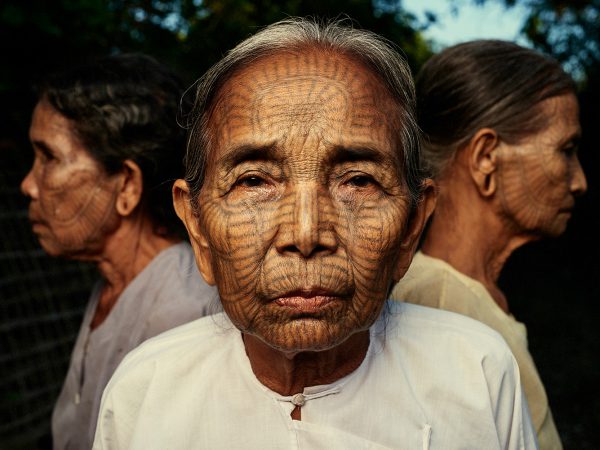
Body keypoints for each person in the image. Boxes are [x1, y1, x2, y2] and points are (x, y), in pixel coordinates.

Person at [93, 19, 537, 449]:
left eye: (358, 181)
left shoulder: (478, 373)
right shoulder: (144, 393)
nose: (306, 235)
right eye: (253, 181)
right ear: (197, 228)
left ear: (412, 227)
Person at [391, 40, 587, 450]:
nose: (579, 181)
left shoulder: (463, 297)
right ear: (485, 158)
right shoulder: (441, 302)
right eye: (565, 151)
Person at [20, 54, 218, 450]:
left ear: (127, 185)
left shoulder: (182, 314)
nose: (29, 185)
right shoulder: (115, 287)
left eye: (49, 158)